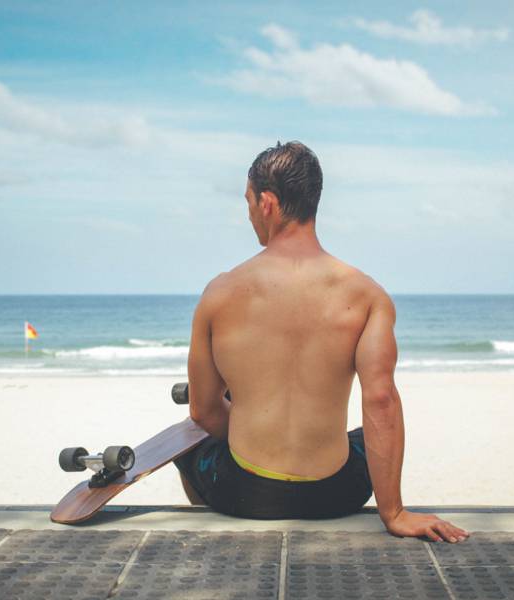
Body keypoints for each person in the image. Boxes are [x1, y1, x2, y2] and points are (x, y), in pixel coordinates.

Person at [174, 141, 469, 543]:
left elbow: (205, 412)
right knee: (364, 437)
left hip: (242, 493)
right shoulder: (366, 295)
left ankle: (218, 533)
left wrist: (248, 427)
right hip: (336, 493)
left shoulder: (219, 294)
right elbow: (381, 400)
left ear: (267, 203)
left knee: (188, 447)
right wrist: (394, 513)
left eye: (247, 202)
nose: (247, 214)